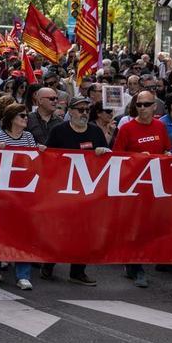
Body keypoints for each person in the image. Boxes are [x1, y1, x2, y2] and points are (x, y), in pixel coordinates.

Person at [43, 96, 110, 286]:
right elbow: (48, 157)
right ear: (70, 111)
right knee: (60, 231)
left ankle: (78, 271)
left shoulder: (96, 132)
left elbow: (109, 159)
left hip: (88, 190)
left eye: (87, 110)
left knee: (84, 232)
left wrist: (101, 153)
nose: (84, 113)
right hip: (63, 189)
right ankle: (49, 263)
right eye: (80, 110)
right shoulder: (59, 131)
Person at [111, 91, 171, 288]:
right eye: (139, 104)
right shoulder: (127, 128)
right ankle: (136, 268)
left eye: (147, 104)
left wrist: (167, 154)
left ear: (155, 106)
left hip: (155, 185)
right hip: (134, 186)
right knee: (135, 227)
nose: (143, 108)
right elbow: (117, 158)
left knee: (149, 227)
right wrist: (137, 158)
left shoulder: (160, 126)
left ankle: (135, 263)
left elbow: (166, 150)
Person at [0, 103, 42, 290]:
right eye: (22, 116)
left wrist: (40, 151)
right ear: (11, 118)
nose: (26, 119)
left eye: (26, 116)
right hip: (1, 193)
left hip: (23, 193)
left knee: (23, 233)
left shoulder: (28, 137)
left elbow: (35, 162)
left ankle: (23, 275)